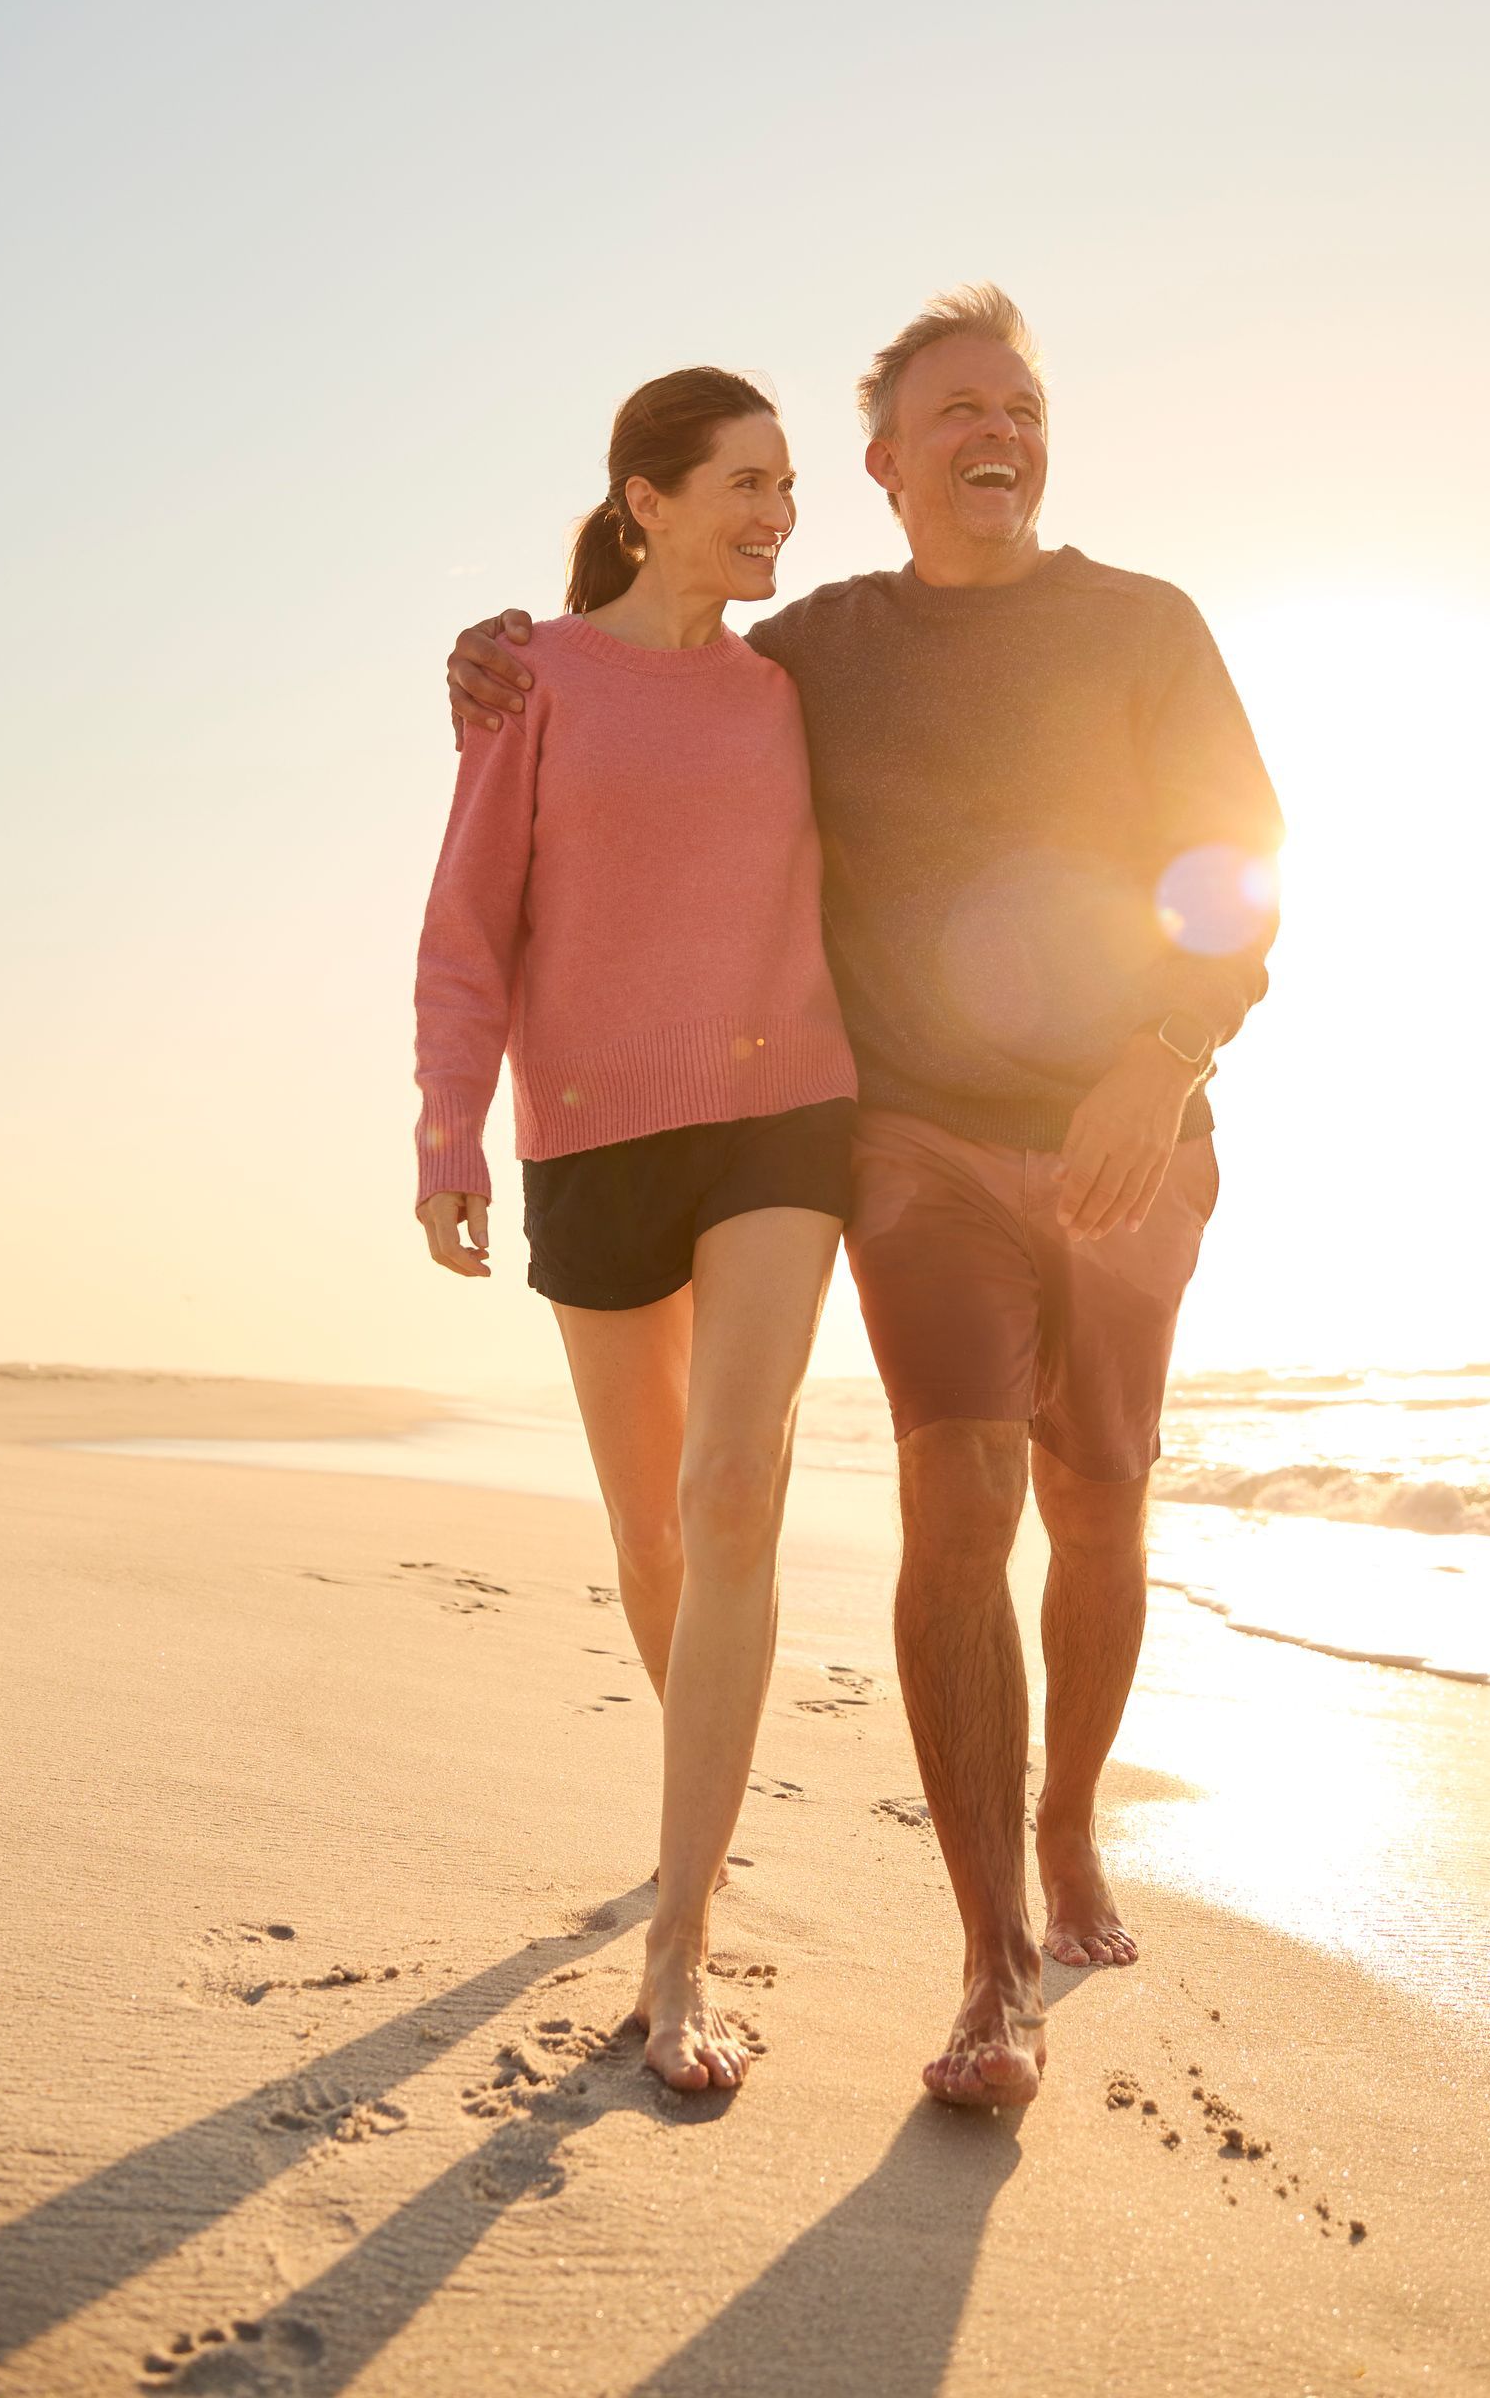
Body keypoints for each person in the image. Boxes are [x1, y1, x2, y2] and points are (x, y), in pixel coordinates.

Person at [447, 290, 1282, 2109]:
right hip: (903, 1138)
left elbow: (1239, 869)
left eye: (1026, 403)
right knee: (962, 1480)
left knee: (1104, 1486)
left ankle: (1068, 1834)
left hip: (1136, 1117)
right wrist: (497, 652)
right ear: (890, 464)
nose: (1004, 429)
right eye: (960, 409)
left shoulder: (1144, 625)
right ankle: (995, 1966)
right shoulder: (816, 644)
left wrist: (1163, 1052)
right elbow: (644, 655)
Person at [415, 367, 856, 2095]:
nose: (777, 515)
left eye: (791, 485)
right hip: (595, 1132)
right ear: (644, 497)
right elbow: (469, 924)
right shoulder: (534, 680)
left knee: (734, 1488)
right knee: (654, 1534)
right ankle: (697, 1817)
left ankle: (682, 1946)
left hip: (785, 1109)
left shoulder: (799, 685)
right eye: (745, 483)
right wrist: (449, 1125)